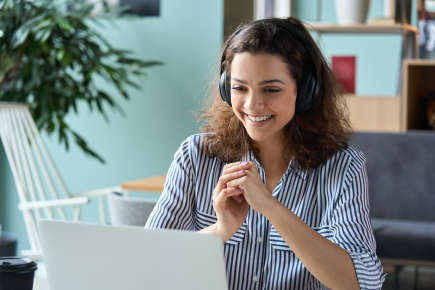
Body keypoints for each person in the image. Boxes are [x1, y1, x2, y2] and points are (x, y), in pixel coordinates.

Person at [145, 17, 385, 290]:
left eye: (271, 89)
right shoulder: (195, 156)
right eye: (239, 88)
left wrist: (270, 207)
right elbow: (149, 263)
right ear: (226, 89)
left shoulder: (343, 167)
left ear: (305, 91)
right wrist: (220, 231)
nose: (252, 105)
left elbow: (361, 283)